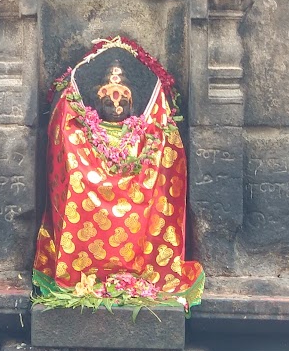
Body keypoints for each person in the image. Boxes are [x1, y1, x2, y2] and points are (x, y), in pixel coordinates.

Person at [33, 35, 203, 304]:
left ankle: (137, 273)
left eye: (122, 101)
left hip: (138, 186)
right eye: (109, 102)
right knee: (78, 178)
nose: (116, 107)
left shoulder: (144, 132)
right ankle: (83, 275)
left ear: (132, 104)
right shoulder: (82, 130)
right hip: (90, 171)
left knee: (150, 181)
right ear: (98, 102)